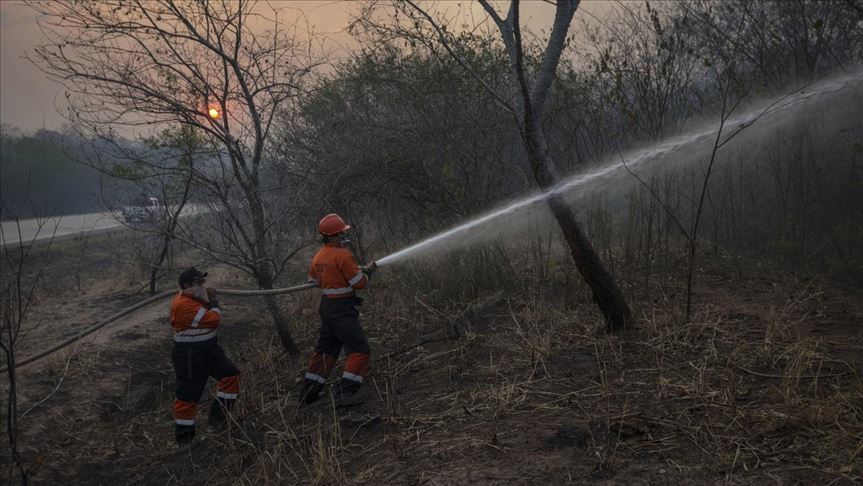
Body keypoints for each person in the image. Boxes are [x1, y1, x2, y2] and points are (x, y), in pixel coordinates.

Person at [300, 213, 376, 407]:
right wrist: (367, 273)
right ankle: (345, 393)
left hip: (327, 308)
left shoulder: (318, 256)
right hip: (341, 310)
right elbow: (359, 283)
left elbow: (313, 280)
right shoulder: (343, 255)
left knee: (326, 350)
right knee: (360, 350)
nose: (343, 236)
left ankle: (309, 392)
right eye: (341, 233)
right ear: (333, 236)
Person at [170, 267, 240, 448]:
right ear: (187, 285)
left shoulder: (195, 298)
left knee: (231, 376)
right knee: (187, 395)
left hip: (209, 350)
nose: (202, 285)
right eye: (198, 283)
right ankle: (184, 441)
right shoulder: (183, 304)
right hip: (190, 355)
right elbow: (213, 319)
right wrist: (214, 300)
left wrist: (207, 298)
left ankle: (217, 420)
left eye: (203, 282)